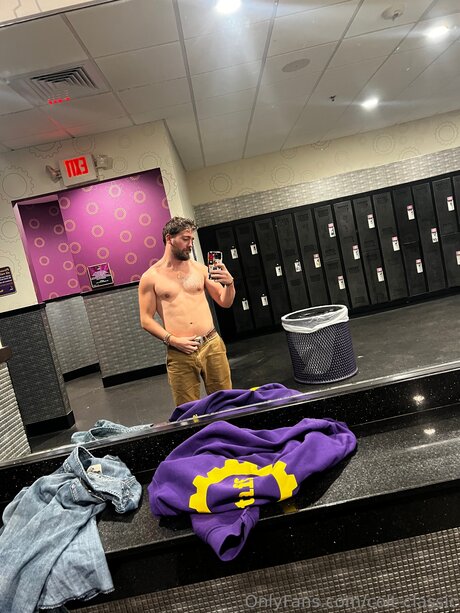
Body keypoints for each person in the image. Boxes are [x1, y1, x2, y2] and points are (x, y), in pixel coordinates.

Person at [138, 216, 236, 407]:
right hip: (179, 351)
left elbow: (225, 302)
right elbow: (146, 319)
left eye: (192, 239)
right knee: (187, 410)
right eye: (185, 239)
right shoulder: (150, 277)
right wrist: (173, 340)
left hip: (211, 344)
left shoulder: (200, 269)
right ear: (169, 238)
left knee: (225, 403)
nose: (190, 244)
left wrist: (230, 283)